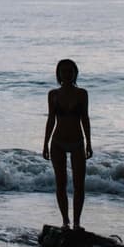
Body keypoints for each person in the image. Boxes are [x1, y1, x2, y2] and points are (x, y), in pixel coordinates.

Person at [41, 58, 93, 230]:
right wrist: (45, 144)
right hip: (57, 142)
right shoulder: (53, 94)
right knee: (60, 184)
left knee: (79, 185)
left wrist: (89, 143)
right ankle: (65, 221)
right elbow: (50, 120)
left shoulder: (82, 94)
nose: (67, 74)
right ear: (59, 74)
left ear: (75, 73)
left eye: (70, 71)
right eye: (63, 71)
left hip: (77, 142)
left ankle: (77, 222)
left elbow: (85, 118)